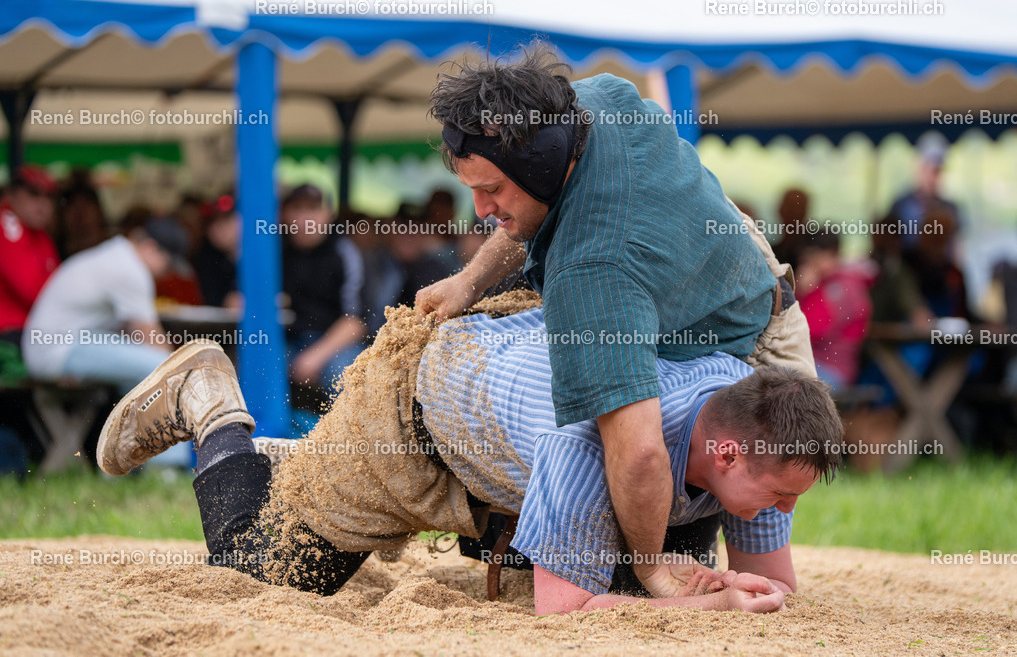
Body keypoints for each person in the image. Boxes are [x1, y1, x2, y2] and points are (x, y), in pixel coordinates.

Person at [95, 298, 843, 614]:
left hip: (511, 392)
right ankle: (214, 405)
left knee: (654, 577)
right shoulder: (589, 435)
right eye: (779, 497)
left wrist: (741, 588)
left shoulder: (746, 400)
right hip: (417, 419)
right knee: (269, 569)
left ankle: (291, 457)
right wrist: (712, 605)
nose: (784, 514)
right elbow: (567, 611)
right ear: (728, 449)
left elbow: (776, 583)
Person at [415, 46, 816, 594]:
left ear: (539, 164)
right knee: (667, 501)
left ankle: (677, 573)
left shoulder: (593, 270)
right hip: (717, 285)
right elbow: (530, 211)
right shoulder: (588, 102)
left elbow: (641, 447)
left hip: (749, 339)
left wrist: (654, 567)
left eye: (491, 190)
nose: (481, 210)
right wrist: (468, 282)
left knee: (733, 490)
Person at [20, 217, 183, 392]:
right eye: (168, 265)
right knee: (164, 369)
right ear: (150, 247)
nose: (168, 273)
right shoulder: (130, 268)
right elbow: (152, 340)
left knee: (143, 371)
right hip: (56, 350)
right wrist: (187, 372)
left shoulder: (118, 254)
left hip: (56, 346)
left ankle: (127, 419)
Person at [280, 184, 366, 393]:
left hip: (332, 345)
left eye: (313, 209)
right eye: (298, 209)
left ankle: (347, 427)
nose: (305, 218)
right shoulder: (273, 250)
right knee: (254, 362)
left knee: (348, 372)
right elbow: (235, 300)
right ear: (284, 214)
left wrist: (315, 356)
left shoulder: (344, 253)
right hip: (284, 341)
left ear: (328, 214)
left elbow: (355, 322)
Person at [794, 229, 872, 390]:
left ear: (830, 253)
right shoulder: (826, 283)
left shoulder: (844, 287)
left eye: (812, 258)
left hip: (833, 370)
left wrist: (807, 292)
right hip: (811, 364)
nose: (807, 265)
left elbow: (813, 329)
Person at [0, 165, 60, 353]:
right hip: (9, 334)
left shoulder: (39, 234)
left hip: (32, 331)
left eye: (48, 196)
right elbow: (34, 291)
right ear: (12, 195)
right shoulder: (7, 224)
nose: (42, 203)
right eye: (34, 194)